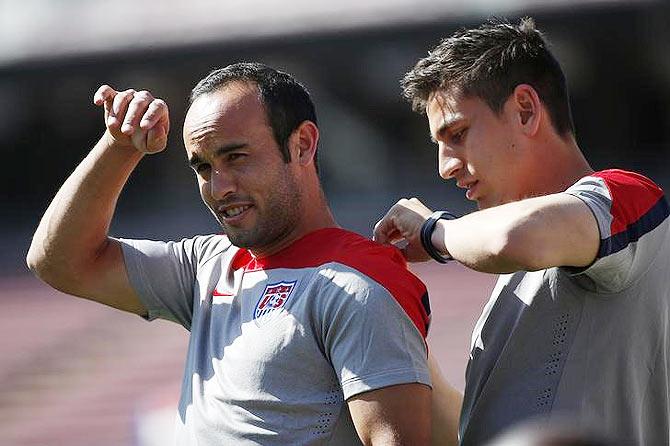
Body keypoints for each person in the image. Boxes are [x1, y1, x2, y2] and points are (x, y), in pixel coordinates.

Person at [27, 63, 433, 445]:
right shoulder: (208, 264)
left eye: (235, 157)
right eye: (203, 167)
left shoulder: (360, 284)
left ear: (303, 145)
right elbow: (59, 261)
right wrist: (118, 146)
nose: (219, 187)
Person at [373, 17, 670, 446]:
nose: (445, 166)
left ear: (526, 110)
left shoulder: (626, 194)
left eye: (457, 134)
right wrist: (394, 337)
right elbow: (478, 431)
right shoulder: (524, 259)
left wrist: (434, 233)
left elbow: (510, 238)